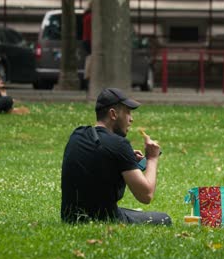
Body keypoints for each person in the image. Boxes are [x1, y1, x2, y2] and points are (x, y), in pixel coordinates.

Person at [61, 88, 172, 225]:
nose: (131, 119)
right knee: (164, 218)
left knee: (134, 212)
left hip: (70, 217)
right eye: (128, 112)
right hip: (104, 218)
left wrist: (124, 159)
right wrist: (152, 159)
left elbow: (96, 161)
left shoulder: (77, 134)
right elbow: (146, 195)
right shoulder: (119, 144)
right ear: (113, 114)